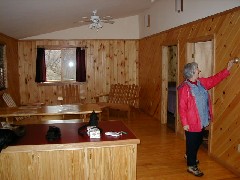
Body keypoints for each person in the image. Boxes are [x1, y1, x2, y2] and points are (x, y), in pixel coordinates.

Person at [177, 59, 235, 177]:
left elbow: (214, 79)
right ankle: (192, 166)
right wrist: (185, 123)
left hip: (202, 120)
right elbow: (182, 107)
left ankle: (189, 155)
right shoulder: (185, 88)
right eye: (197, 69)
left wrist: (227, 69)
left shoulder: (201, 82)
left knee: (197, 141)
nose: (199, 70)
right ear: (193, 72)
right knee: (193, 142)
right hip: (192, 122)